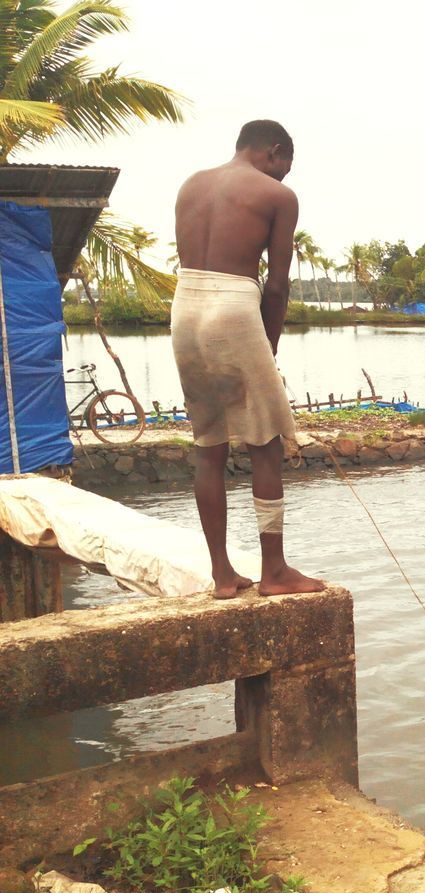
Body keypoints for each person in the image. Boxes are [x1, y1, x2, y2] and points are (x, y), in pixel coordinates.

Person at [171, 119, 324, 599]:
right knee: (266, 443)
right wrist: (270, 342)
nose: (282, 177)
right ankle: (274, 571)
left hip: (185, 306)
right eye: (284, 167)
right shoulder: (278, 197)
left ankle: (223, 575)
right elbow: (276, 284)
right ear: (275, 151)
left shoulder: (191, 184)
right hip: (235, 306)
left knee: (209, 445)